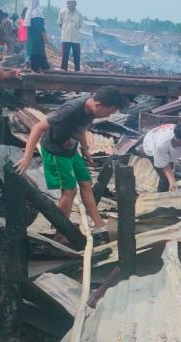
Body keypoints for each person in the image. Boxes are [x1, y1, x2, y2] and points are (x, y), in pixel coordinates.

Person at [14, 86, 125, 242]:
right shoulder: (70, 110)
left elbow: (81, 129)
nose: (108, 116)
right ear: (98, 105)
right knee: (70, 192)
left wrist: (85, 149)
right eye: (108, 112)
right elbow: (37, 128)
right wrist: (27, 157)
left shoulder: (92, 111)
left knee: (86, 183)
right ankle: (60, 232)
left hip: (71, 150)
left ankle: (98, 223)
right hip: (55, 152)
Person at [24, 0, 49, 72]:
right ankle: (38, 66)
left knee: (36, 50)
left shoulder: (37, 12)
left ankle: (38, 67)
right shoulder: (30, 11)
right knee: (34, 50)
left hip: (36, 36)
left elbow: (40, 26)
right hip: (33, 36)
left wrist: (44, 35)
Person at [58, 0, 82, 71]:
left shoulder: (79, 14)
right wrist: (66, 30)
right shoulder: (62, 12)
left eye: (73, 3)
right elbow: (60, 23)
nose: (71, 5)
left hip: (76, 37)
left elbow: (80, 25)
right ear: (67, 4)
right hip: (66, 37)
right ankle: (64, 68)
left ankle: (77, 69)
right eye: (70, 3)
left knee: (76, 55)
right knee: (65, 54)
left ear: (75, 4)